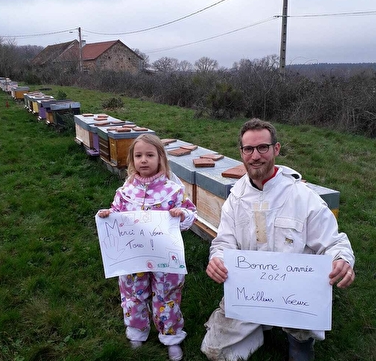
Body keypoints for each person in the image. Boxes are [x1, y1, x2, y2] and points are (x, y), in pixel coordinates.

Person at [200, 118, 355, 361]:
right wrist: (217, 259)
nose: (255, 156)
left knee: (300, 354)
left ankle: (299, 339)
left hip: (296, 295)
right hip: (248, 291)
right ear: (241, 152)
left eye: (263, 147)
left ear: (276, 149)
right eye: (248, 149)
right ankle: (258, 330)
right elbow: (223, 242)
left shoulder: (302, 196)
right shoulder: (236, 198)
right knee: (214, 351)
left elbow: (333, 242)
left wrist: (342, 260)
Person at [98, 133, 197, 361]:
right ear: (132, 160)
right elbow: (117, 212)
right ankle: (137, 331)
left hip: (165, 258)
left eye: (150, 155)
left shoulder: (173, 190)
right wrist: (108, 215)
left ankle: (171, 336)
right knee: (133, 293)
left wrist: (181, 214)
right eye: (139, 155)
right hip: (134, 257)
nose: (144, 160)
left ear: (160, 158)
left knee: (167, 295)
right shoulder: (126, 190)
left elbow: (190, 213)